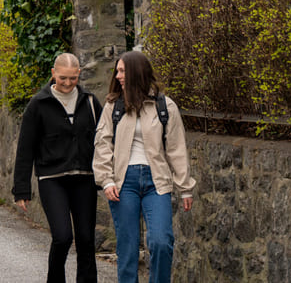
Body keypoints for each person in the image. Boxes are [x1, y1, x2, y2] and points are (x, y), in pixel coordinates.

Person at [92, 51, 196, 283]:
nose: (118, 75)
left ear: (136, 73)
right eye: (117, 71)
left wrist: (185, 187)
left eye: (122, 71)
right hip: (123, 182)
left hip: (156, 182)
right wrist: (106, 180)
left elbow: (176, 149)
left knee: (161, 241)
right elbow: (102, 145)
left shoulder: (165, 106)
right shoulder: (113, 107)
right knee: (127, 248)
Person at [12, 53, 103, 283]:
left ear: (79, 74)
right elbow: (25, 149)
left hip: (84, 179)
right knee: (62, 237)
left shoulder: (90, 101)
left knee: (86, 239)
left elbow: (104, 140)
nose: (67, 83)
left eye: (73, 78)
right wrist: (21, 189)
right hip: (52, 179)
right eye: (63, 78)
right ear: (53, 73)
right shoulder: (38, 104)